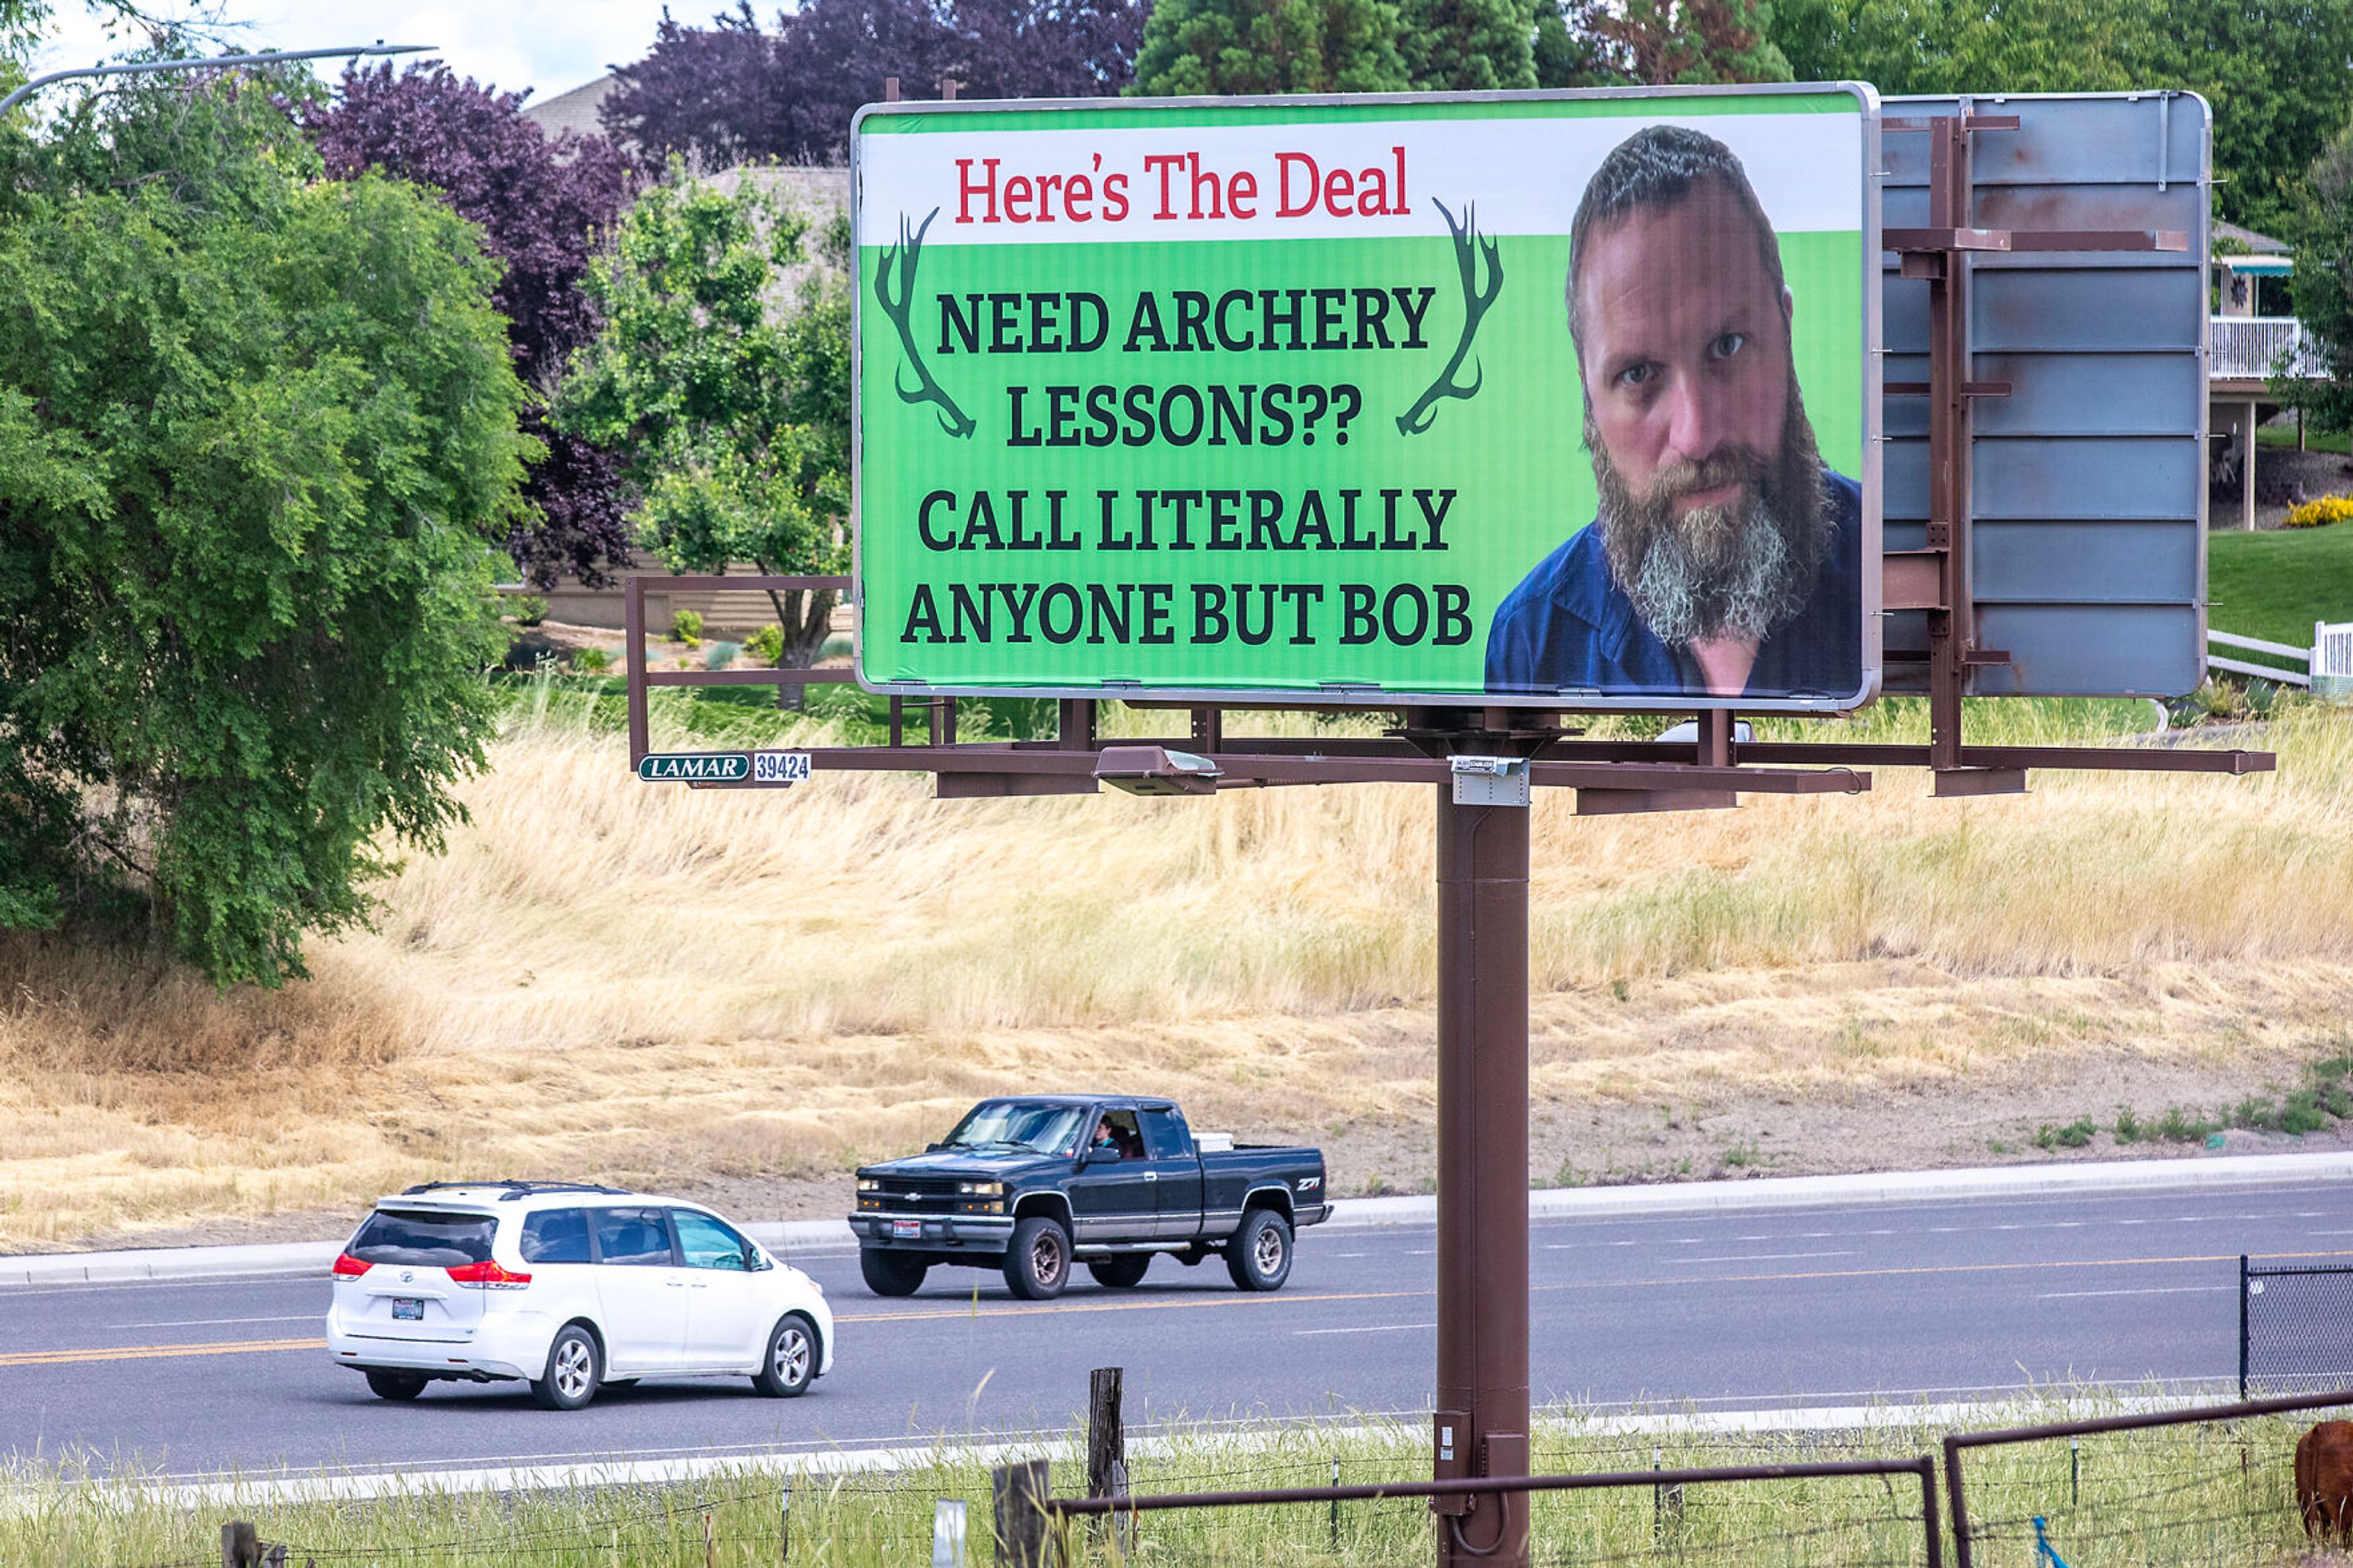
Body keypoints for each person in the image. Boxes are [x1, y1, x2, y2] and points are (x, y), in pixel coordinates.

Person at [1485, 124, 1862, 700]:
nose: (1698, 435)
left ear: (1785, 333)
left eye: (1728, 346)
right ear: (1588, 396)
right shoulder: (1533, 643)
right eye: (1638, 374)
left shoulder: (1896, 585)